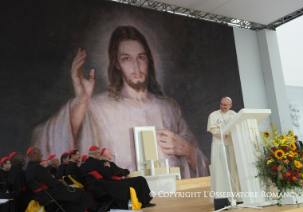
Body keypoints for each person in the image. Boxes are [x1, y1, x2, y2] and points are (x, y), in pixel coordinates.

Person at [31, 25, 209, 179]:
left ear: (148, 60)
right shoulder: (97, 107)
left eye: (141, 57)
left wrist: (187, 150)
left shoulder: (168, 107)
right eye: (126, 59)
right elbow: (49, 140)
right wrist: (81, 101)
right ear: (116, 63)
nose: (136, 67)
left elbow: (201, 163)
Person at [25, 147, 99, 212]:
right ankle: (95, 208)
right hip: (48, 194)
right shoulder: (38, 168)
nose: (41, 155)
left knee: (70, 197)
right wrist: (60, 182)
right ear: (33, 155)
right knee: (79, 192)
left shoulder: (29, 168)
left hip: (41, 195)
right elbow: (51, 182)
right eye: (39, 153)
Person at [82, 146, 155, 209]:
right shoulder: (100, 162)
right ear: (97, 154)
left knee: (138, 180)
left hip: (93, 188)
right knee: (140, 180)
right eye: (110, 153)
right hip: (107, 185)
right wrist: (110, 167)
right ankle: (144, 202)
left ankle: (143, 202)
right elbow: (110, 174)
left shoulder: (85, 164)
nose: (112, 154)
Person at [207, 97, 241, 202]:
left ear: (230, 105)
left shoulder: (235, 115)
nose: (223, 107)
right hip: (219, 145)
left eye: (225, 105)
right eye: (221, 104)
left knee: (234, 170)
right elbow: (214, 130)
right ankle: (223, 198)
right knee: (221, 171)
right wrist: (226, 133)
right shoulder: (213, 115)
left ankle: (236, 197)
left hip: (232, 145)